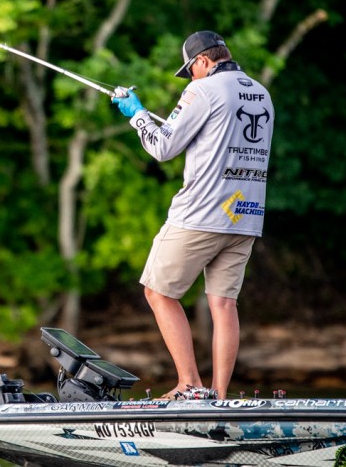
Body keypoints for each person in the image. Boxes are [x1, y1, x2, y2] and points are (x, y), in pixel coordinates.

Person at [111, 31, 274, 400]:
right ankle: (218, 396)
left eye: (190, 70)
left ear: (203, 61)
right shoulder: (261, 92)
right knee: (224, 304)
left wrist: (137, 115)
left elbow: (162, 147)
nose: (191, 77)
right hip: (246, 216)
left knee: (158, 292)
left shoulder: (201, 90)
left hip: (200, 214)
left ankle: (189, 384)